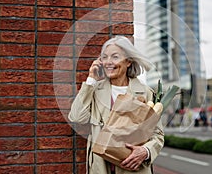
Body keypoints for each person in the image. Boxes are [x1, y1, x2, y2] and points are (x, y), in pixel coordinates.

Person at [68, 36, 164, 174]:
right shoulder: (94, 90)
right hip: (101, 168)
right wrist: (91, 80)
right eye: (104, 57)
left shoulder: (146, 93)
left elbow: (157, 134)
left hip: (133, 169)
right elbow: (77, 117)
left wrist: (145, 151)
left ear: (128, 61)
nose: (108, 62)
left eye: (115, 57)